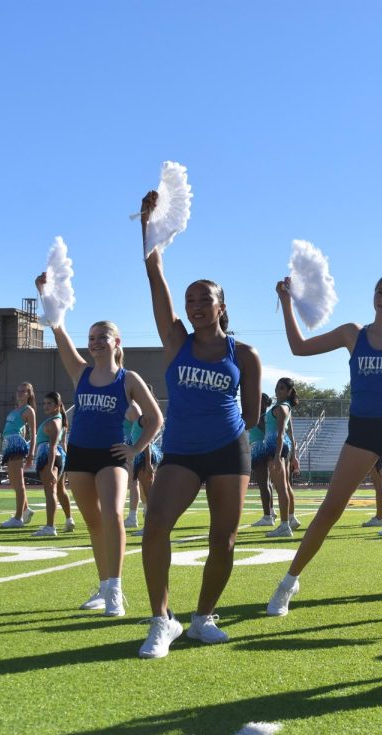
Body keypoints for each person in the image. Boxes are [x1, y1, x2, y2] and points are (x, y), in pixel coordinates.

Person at [267, 272, 382, 622]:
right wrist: (287, 303)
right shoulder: (354, 333)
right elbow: (299, 347)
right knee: (331, 507)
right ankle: (289, 582)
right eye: (379, 292)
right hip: (362, 429)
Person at [137, 191, 260, 658]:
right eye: (190, 300)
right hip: (183, 452)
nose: (195, 306)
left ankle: (204, 616)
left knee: (223, 539)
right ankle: (160, 619)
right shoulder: (176, 340)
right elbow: (154, 275)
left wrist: (217, 418)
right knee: (155, 528)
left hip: (230, 451)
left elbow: (250, 415)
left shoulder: (244, 354)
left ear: (221, 305)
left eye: (204, 299)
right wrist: (149, 227)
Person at [38, 273, 162, 618]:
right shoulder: (80, 373)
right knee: (92, 522)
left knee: (113, 514)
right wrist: (46, 294)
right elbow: (59, 332)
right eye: (91, 338)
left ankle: (116, 590)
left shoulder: (129, 379)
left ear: (117, 341)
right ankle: (103, 583)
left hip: (112, 455)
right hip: (79, 454)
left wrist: (135, 449)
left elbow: (155, 419)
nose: (94, 342)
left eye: (102, 337)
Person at [32, 391, 74, 536]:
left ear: (57, 405)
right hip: (59, 457)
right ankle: (69, 520)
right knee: (61, 490)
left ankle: (50, 527)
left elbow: (52, 446)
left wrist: (49, 468)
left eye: (50, 403)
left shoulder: (54, 422)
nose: (46, 406)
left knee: (50, 492)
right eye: (44, 403)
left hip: (49, 456)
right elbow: (63, 444)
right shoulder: (59, 421)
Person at [265, 377, 302, 537]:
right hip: (282, 448)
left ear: (288, 392)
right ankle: (291, 519)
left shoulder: (282, 408)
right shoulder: (286, 407)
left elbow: (281, 434)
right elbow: (291, 434)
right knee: (285, 485)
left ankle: (284, 525)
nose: (276, 390)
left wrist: (276, 456)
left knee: (281, 487)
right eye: (276, 387)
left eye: (281, 388)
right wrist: (294, 456)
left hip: (276, 448)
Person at [0, 383, 37, 528]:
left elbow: (32, 434)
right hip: (9, 444)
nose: (20, 393)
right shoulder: (16, 410)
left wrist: (31, 453)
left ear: (29, 394)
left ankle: (18, 517)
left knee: (18, 482)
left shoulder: (29, 410)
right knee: (14, 482)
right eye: (18, 390)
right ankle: (26, 510)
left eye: (23, 391)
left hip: (15, 444)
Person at [123, 400, 161, 532]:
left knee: (149, 493)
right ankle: (151, 525)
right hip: (141, 457)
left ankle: (151, 526)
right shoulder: (144, 417)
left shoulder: (146, 419)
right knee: (148, 492)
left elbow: (148, 442)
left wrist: (148, 463)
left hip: (144, 458)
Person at [250, 393, 276, 526]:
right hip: (260, 449)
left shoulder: (260, 418)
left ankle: (267, 517)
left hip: (259, 450)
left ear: (265, 404)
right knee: (267, 484)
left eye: (259, 401)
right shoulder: (260, 417)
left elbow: (268, 434)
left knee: (263, 485)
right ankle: (271, 511)